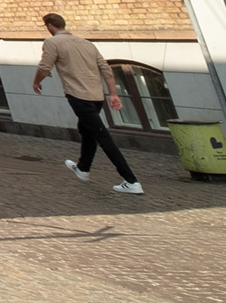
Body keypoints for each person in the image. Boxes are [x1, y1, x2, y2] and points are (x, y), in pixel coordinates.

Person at [32, 12, 143, 195]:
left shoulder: (52, 42)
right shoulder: (87, 43)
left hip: (78, 95)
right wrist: (113, 94)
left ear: (50, 26)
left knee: (102, 136)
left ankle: (131, 180)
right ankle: (83, 168)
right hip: (96, 96)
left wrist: (36, 82)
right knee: (87, 130)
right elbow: (106, 69)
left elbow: (44, 66)